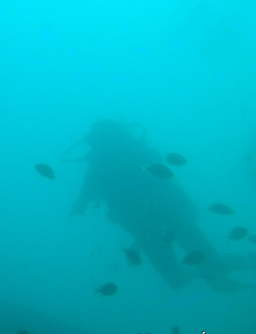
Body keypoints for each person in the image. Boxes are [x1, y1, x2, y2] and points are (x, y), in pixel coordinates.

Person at [69, 119, 255, 292]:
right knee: (179, 278)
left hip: (166, 216)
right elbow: (85, 194)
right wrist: (80, 205)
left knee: (201, 267)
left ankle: (246, 263)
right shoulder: (102, 163)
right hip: (151, 223)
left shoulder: (125, 156)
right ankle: (214, 271)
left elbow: (164, 178)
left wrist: (80, 205)